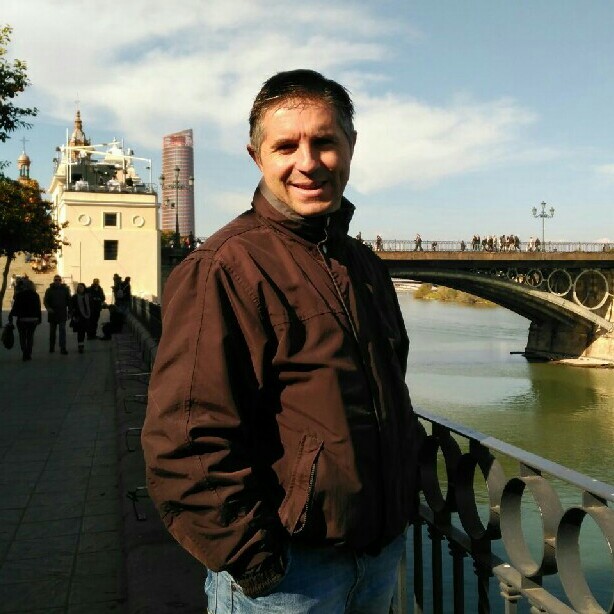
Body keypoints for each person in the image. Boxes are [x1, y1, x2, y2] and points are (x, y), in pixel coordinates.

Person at [141, 69, 419, 613]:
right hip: (290, 577)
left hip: (379, 556)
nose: (308, 163)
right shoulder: (224, 267)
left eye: (325, 142)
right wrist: (253, 559)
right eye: (286, 146)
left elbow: (391, 394)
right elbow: (185, 437)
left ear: (351, 146)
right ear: (257, 157)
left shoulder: (364, 267)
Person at [8, 278, 41, 361]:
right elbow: (38, 308)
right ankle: (28, 353)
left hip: (22, 319)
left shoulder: (19, 295)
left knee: (22, 336)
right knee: (30, 336)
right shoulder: (35, 295)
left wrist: (11, 316)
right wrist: (39, 318)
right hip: (33, 319)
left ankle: (24, 352)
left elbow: (15, 307)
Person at [43, 274, 71, 354]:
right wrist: (48, 308)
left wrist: (70, 311)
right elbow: (46, 301)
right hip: (53, 313)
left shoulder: (65, 289)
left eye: (59, 280)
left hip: (62, 313)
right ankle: (52, 346)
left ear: (61, 281)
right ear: (53, 281)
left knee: (62, 331)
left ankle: (63, 348)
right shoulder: (49, 290)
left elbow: (69, 300)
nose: (57, 281)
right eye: (56, 280)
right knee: (52, 332)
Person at [69, 283, 91, 353]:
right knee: (80, 332)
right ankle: (80, 346)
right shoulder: (74, 297)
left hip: (87, 316)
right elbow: (71, 306)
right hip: (79, 316)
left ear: (84, 288)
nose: (80, 288)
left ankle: (82, 344)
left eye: (81, 287)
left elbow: (92, 305)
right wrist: (72, 315)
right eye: (79, 287)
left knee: (84, 331)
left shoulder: (88, 296)